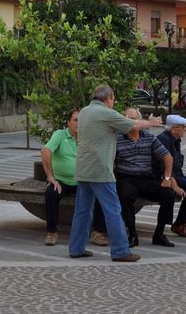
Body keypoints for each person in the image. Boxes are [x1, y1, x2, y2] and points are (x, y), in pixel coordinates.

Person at [68, 84, 162, 263]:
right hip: (101, 170)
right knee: (113, 210)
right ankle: (120, 251)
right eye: (113, 99)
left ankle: (76, 248)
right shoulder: (106, 113)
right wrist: (152, 123)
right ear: (108, 98)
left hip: (83, 169)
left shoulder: (85, 111)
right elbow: (132, 125)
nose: (113, 102)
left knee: (82, 211)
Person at [40, 109, 107, 246]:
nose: (79, 123)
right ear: (68, 122)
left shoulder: (88, 137)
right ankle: (52, 233)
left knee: (101, 193)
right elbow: (46, 151)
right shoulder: (60, 135)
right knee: (51, 193)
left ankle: (97, 233)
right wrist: (50, 177)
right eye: (76, 120)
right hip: (61, 181)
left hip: (82, 180)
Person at [114, 108, 178, 248]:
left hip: (146, 178)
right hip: (126, 177)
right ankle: (132, 234)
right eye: (127, 118)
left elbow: (167, 157)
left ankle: (159, 234)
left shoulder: (149, 137)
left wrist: (167, 178)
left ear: (140, 121)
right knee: (125, 195)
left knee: (168, 195)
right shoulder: (117, 138)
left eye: (133, 118)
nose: (130, 122)